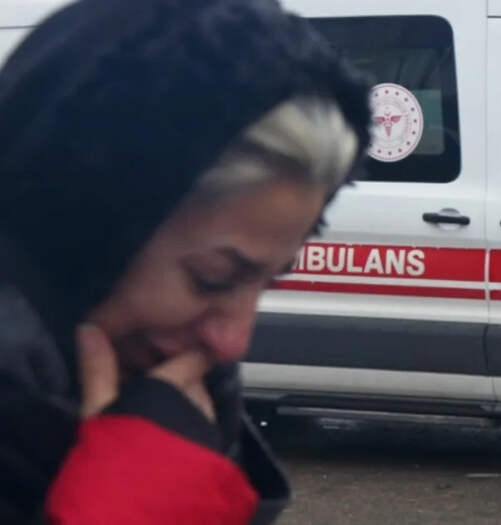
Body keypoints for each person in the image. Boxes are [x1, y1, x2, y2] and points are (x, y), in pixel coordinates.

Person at [0, 0, 370, 523]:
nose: (235, 342)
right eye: (211, 279)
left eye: (269, 282)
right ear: (80, 229)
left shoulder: (181, 414)